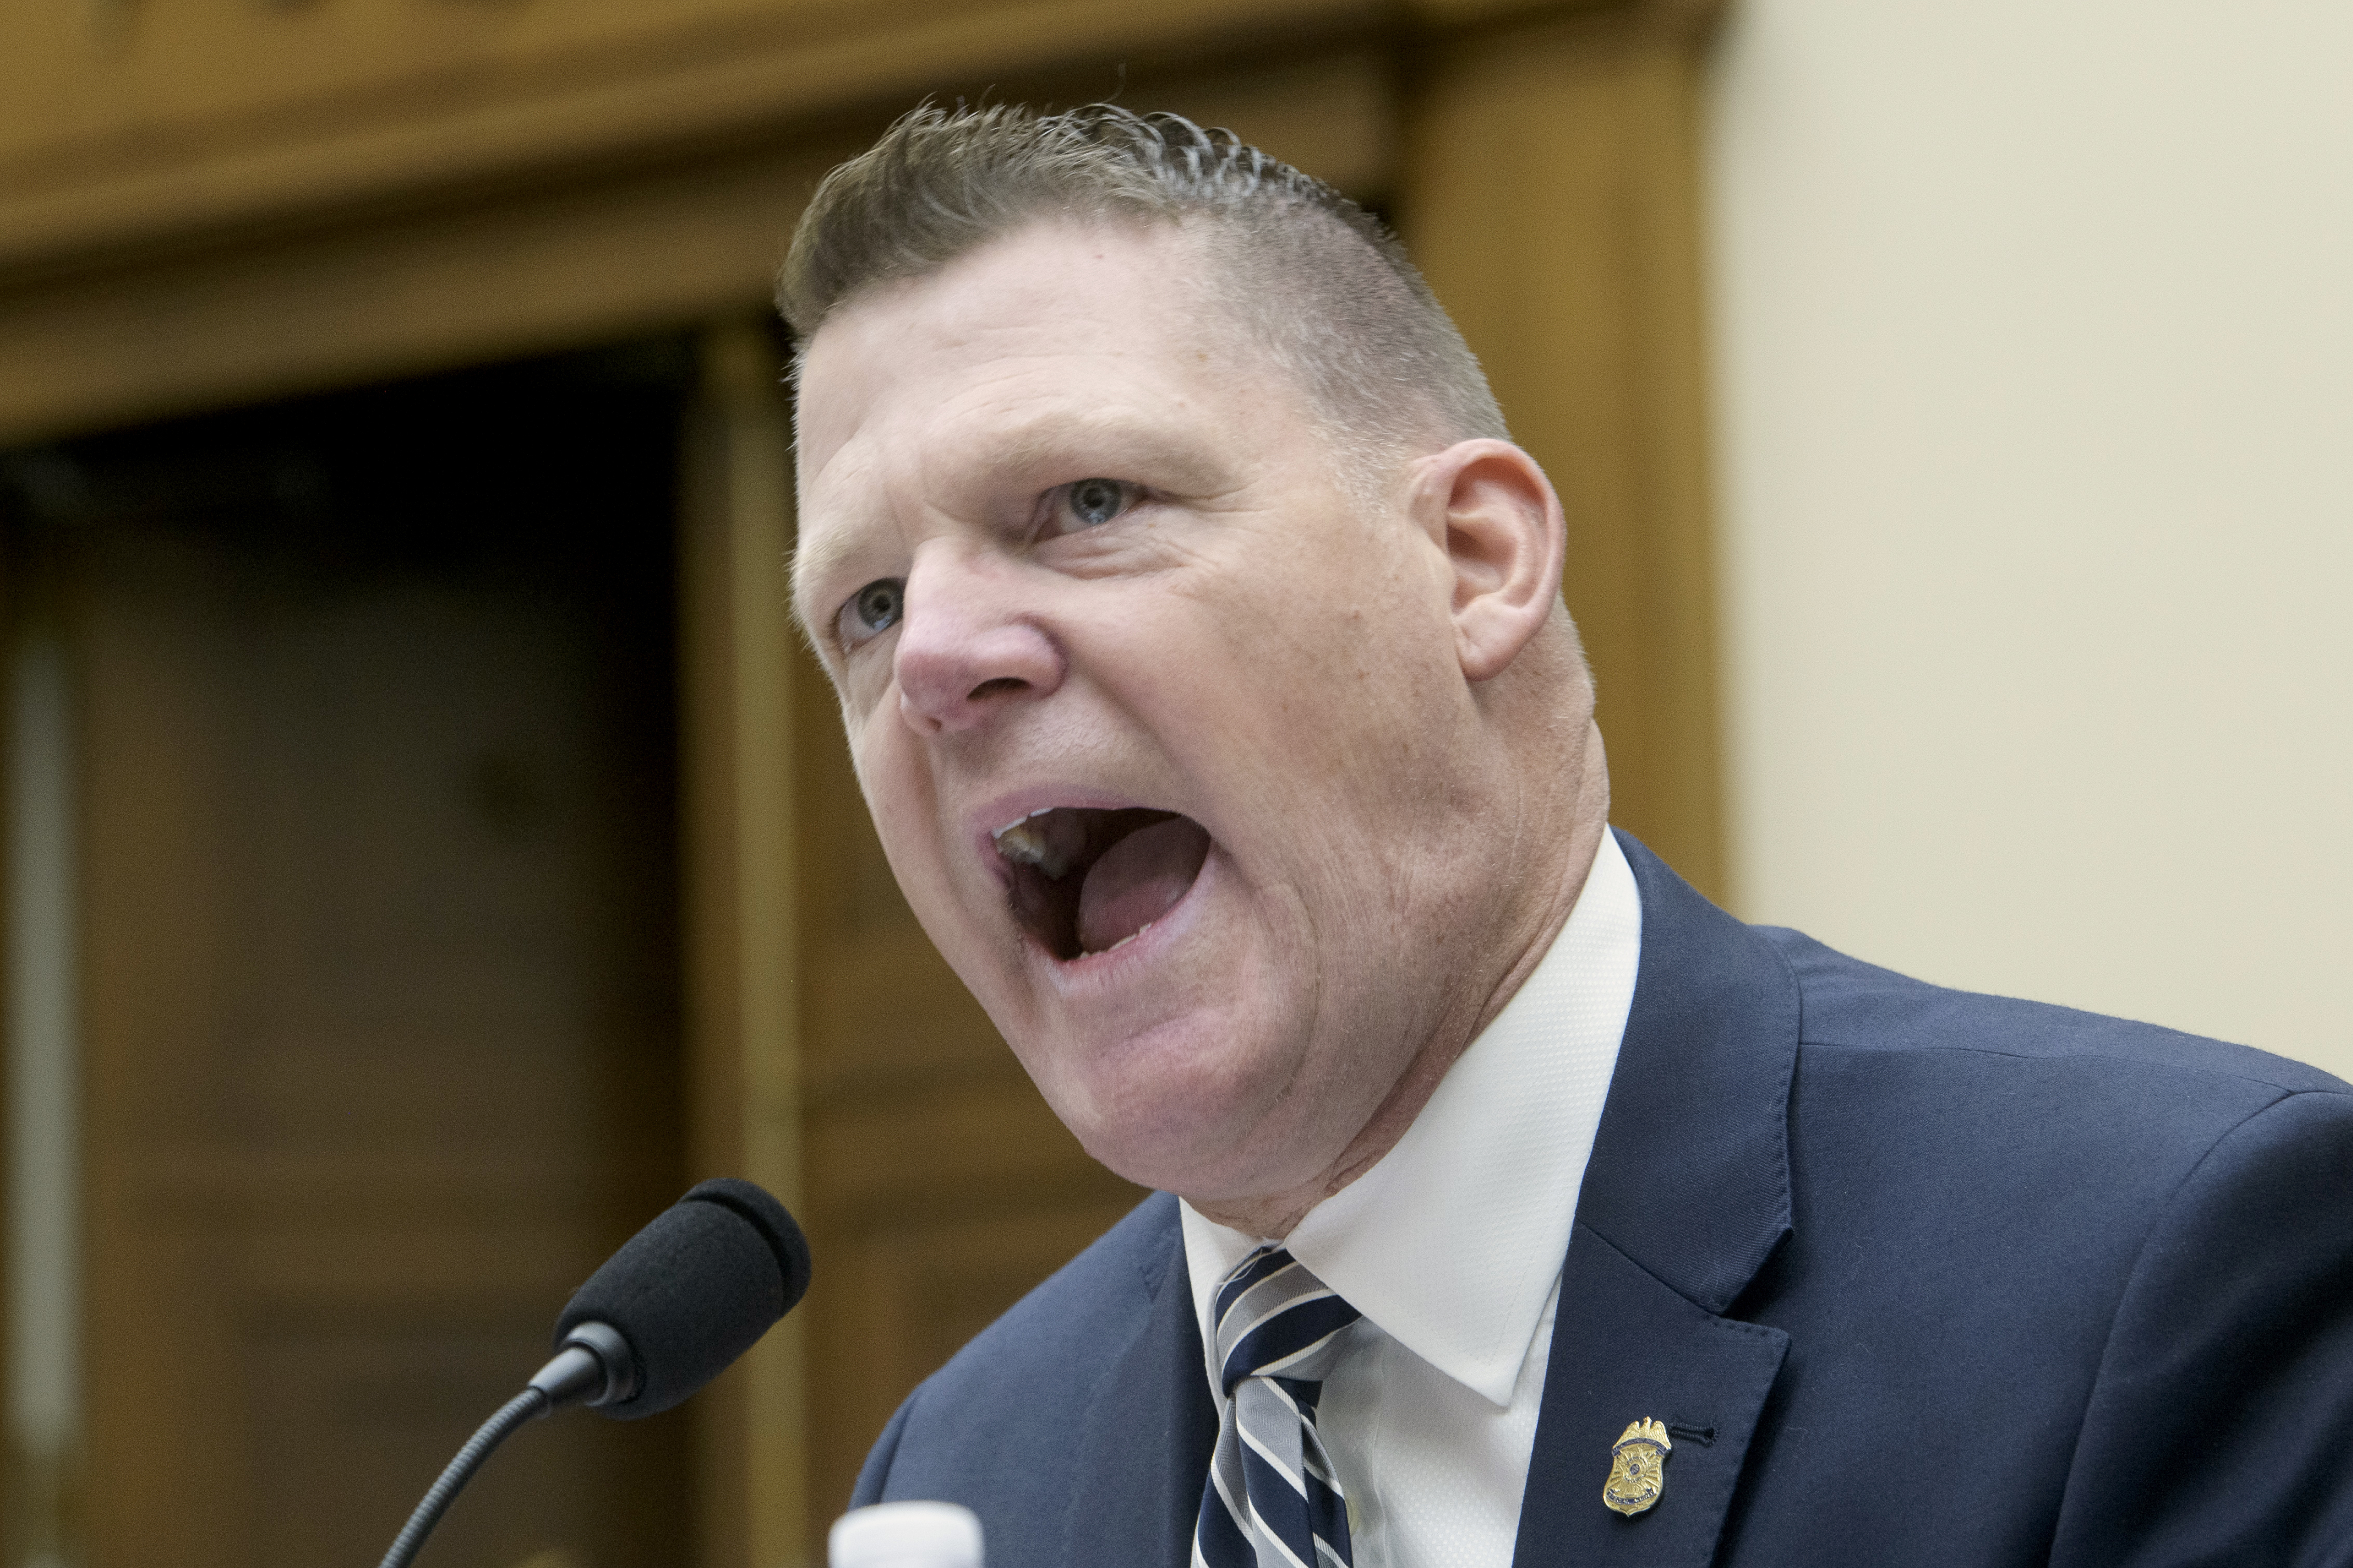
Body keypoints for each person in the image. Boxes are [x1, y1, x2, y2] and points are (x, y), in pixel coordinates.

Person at [778, 103, 2353, 1568]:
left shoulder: (2161, 1267)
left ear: (1469, 561)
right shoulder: (968, 1464)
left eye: (1087, 503)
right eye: (866, 604)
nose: (931, 658)